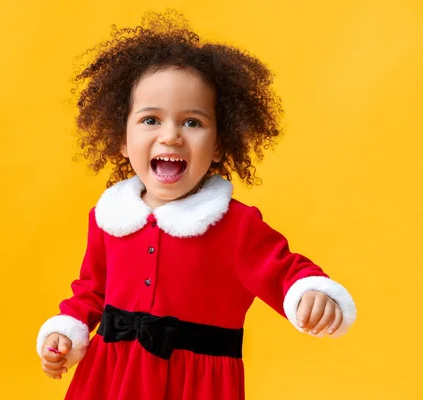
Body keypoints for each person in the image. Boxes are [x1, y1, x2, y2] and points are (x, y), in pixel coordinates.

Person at [36, 11, 356, 400]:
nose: (170, 136)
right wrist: (65, 332)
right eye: (151, 119)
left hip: (196, 386)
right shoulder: (108, 219)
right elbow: (91, 290)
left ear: (220, 145)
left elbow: (286, 272)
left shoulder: (236, 225)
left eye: (192, 122)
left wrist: (312, 294)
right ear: (122, 139)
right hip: (110, 378)